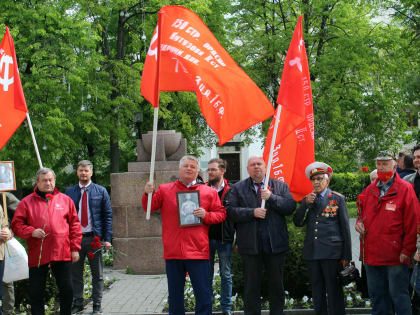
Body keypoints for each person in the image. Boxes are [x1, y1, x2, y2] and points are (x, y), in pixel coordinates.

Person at [143, 155, 226, 315]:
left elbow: (221, 214)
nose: (189, 169)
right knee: (175, 297)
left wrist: (206, 215)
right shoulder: (165, 189)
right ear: (179, 169)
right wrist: (148, 193)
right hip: (174, 252)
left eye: (193, 167)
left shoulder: (208, 192)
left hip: (198, 251)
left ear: (197, 171)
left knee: (203, 295)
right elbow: (150, 207)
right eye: (185, 166)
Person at [225, 156, 296, 315]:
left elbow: (290, 207)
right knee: (251, 286)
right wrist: (252, 212)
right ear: (247, 169)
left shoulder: (279, 186)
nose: (256, 167)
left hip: (275, 244)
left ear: (265, 167)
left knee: (276, 285)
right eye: (252, 165)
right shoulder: (237, 188)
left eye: (259, 164)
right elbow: (230, 212)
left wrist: (272, 198)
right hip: (250, 245)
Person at [11, 168, 82, 315]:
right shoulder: (26, 202)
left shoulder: (65, 200)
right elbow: (17, 225)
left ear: (54, 181)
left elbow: (75, 225)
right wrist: (31, 232)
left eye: (50, 180)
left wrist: (74, 248)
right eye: (44, 180)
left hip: (62, 251)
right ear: (37, 182)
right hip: (38, 254)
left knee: (67, 289)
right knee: (36, 292)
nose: (48, 183)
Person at [355, 151, 418, 315]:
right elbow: (361, 213)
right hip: (372, 256)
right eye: (379, 164)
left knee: (399, 297)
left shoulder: (406, 189)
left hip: (395, 256)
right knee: (378, 299)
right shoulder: (369, 190)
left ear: (395, 165)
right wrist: (358, 223)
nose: (381, 168)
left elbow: (413, 223)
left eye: (385, 164)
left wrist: (407, 250)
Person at [293, 162, 351, 315]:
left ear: (327, 181)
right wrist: (305, 205)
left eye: (320, 179)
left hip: (332, 252)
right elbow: (298, 222)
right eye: (314, 180)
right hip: (313, 252)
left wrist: (347, 255)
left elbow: (345, 229)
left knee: (333, 289)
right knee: (317, 290)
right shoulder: (308, 199)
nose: (317, 182)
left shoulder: (337, 199)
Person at [65, 160, 112, 315]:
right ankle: (78, 303)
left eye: (86, 170)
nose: (83, 173)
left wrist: (107, 239)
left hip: (94, 239)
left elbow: (107, 216)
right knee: (75, 274)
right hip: (75, 239)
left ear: (91, 172)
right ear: (77, 172)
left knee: (97, 274)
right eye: (80, 170)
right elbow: (64, 218)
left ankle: (97, 305)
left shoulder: (101, 191)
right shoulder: (69, 192)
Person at [206, 158, 234, 315]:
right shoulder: (203, 189)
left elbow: (235, 215)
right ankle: (207, 307)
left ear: (222, 171)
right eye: (209, 170)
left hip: (225, 239)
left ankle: (226, 309)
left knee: (225, 274)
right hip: (206, 239)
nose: (210, 172)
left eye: (213, 170)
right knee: (206, 275)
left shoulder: (232, 190)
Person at [1, 192, 20, 315]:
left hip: (2, 247)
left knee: (6, 281)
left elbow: (22, 213)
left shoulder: (3, 195)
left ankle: (7, 312)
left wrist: (12, 229)